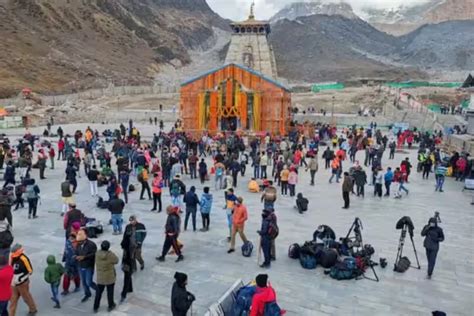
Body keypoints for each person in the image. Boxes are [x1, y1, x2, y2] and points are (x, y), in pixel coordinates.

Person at [9, 244, 37, 315]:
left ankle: (33, 309)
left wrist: (21, 278)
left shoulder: (24, 258)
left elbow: (30, 271)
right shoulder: (11, 257)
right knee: (13, 300)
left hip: (22, 283)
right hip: (13, 282)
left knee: (26, 297)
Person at [94, 240, 119, 313]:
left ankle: (96, 306)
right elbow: (116, 260)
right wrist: (110, 252)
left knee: (98, 292)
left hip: (100, 277)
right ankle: (111, 305)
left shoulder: (97, 253)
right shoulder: (110, 255)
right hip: (109, 277)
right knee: (110, 292)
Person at [75, 229, 97, 302]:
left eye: (80, 242)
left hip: (88, 266)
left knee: (89, 282)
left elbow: (94, 254)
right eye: (78, 242)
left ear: (85, 239)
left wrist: (84, 257)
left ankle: (98, 289)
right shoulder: (78, 244)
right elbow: (76, 252)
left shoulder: (91, 245)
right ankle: (87, 294)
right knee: (84, 282)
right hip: (80, 265)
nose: (79, 243)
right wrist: (76, 256)